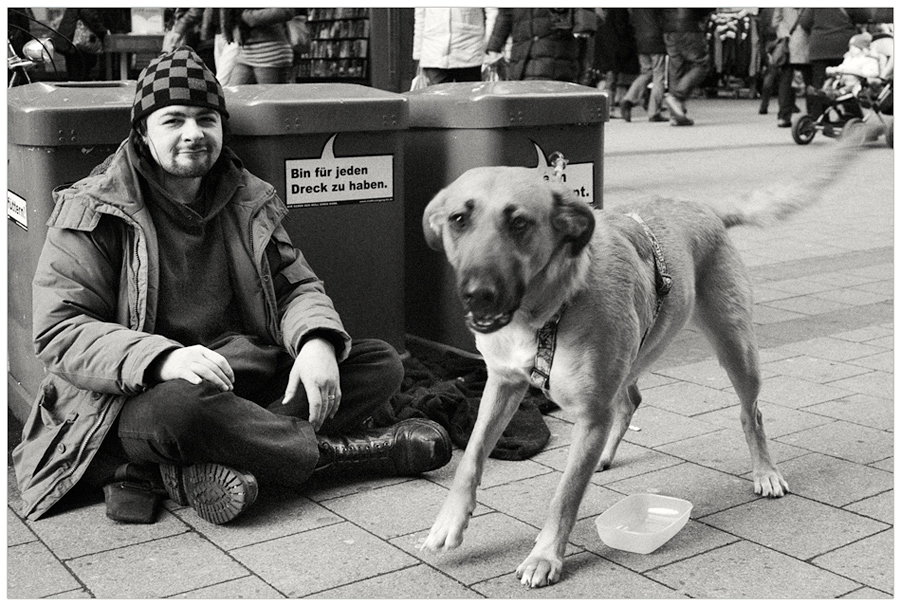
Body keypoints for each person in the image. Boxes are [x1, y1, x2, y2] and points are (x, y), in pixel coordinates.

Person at [12, 47, 452, 525]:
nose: (193, 134)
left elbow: (295, 287)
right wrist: (162, 358)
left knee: (378, 362)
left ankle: (211, 462)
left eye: (206, 119)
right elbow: (61, 330)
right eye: (173, 120)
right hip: (143, 397)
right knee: (180, 412)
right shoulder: (94, 208)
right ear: (142, 131)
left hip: (241, 379)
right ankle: (343, 455)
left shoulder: (248, 197)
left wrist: (316, 341)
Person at [486, 8, 597, 84]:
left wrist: (583, 25)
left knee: (547, 85)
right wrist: (495, 43)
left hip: (554, 41)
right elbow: (506, 13)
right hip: (523, 45)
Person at [799, 8, 872, 119]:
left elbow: (804, 22)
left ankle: (817, 117)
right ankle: (852, 116)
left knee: (819, 85)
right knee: (847, 81)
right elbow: (865, 15)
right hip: (843, 46)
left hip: (819, 47)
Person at [412, 7, 497, 85]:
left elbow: (492, 13)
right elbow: (420, 18)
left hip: (469, 53)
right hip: (433, 53)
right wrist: (419, 54)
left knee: (467, 98)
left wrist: (489, 49)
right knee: (439, 99)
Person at [659, 8, 713, 126]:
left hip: (668, 29)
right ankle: (677, 97)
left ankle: (676, 113)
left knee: (676, 68)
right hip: (689, 27)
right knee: (701, 64)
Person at [620, 8, 667, 123]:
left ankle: (628, 99)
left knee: (646, 72)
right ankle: (654, 112)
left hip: (640, 39)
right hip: (656, 39)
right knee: (658, 75)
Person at [229, 8, 296, 84]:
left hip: (270, 51)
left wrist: (247, 16)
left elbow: (286, 11)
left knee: (268, 93)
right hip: (246, 50)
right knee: (234, 92)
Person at [772, 8, 811, 128]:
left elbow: (775, 22)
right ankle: (813, 115)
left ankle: (784, 117)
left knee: (785, 83)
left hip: (788, 45)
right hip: (807, 45)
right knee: (810, 82)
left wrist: (783, 32)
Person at [51, 8, 108, 81]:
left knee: (75, 73)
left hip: (71, 40)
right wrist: (103, 30)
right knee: (80, 74)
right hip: (78, 43)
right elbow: (89, 16)